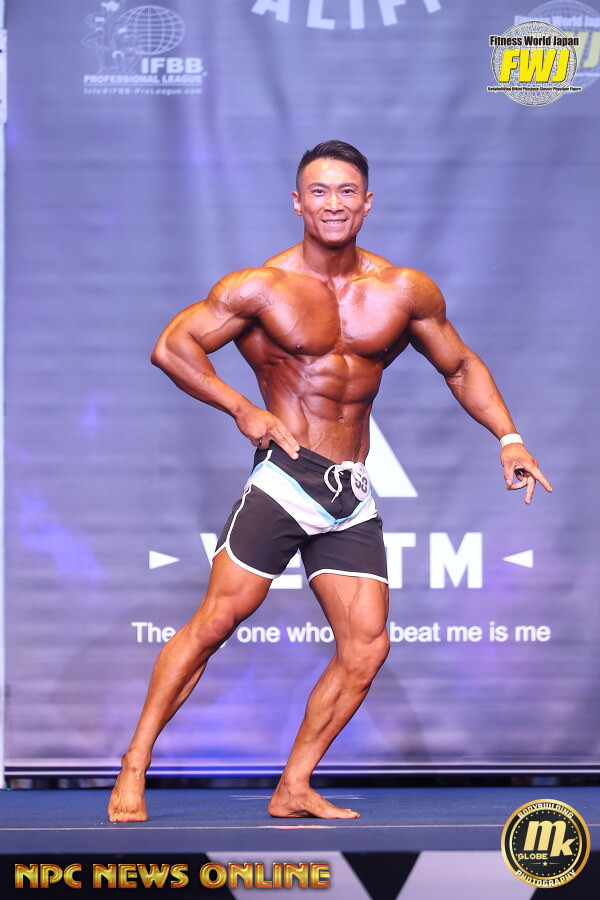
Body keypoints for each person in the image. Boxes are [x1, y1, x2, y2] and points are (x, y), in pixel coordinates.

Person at [108, 140, 552, 823]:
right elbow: (172, 346)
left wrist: (509, 438)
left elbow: (460, 366)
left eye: (347, 192)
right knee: (216, 622)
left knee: (367, 646)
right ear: (298, 202)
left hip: (350, 490)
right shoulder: (261, 286)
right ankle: (135, 764)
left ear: (367, 203)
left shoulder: (404, 291)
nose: (334, 204)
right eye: (319, 191)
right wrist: (243, 408)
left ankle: (293, 786)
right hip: (285, 477)